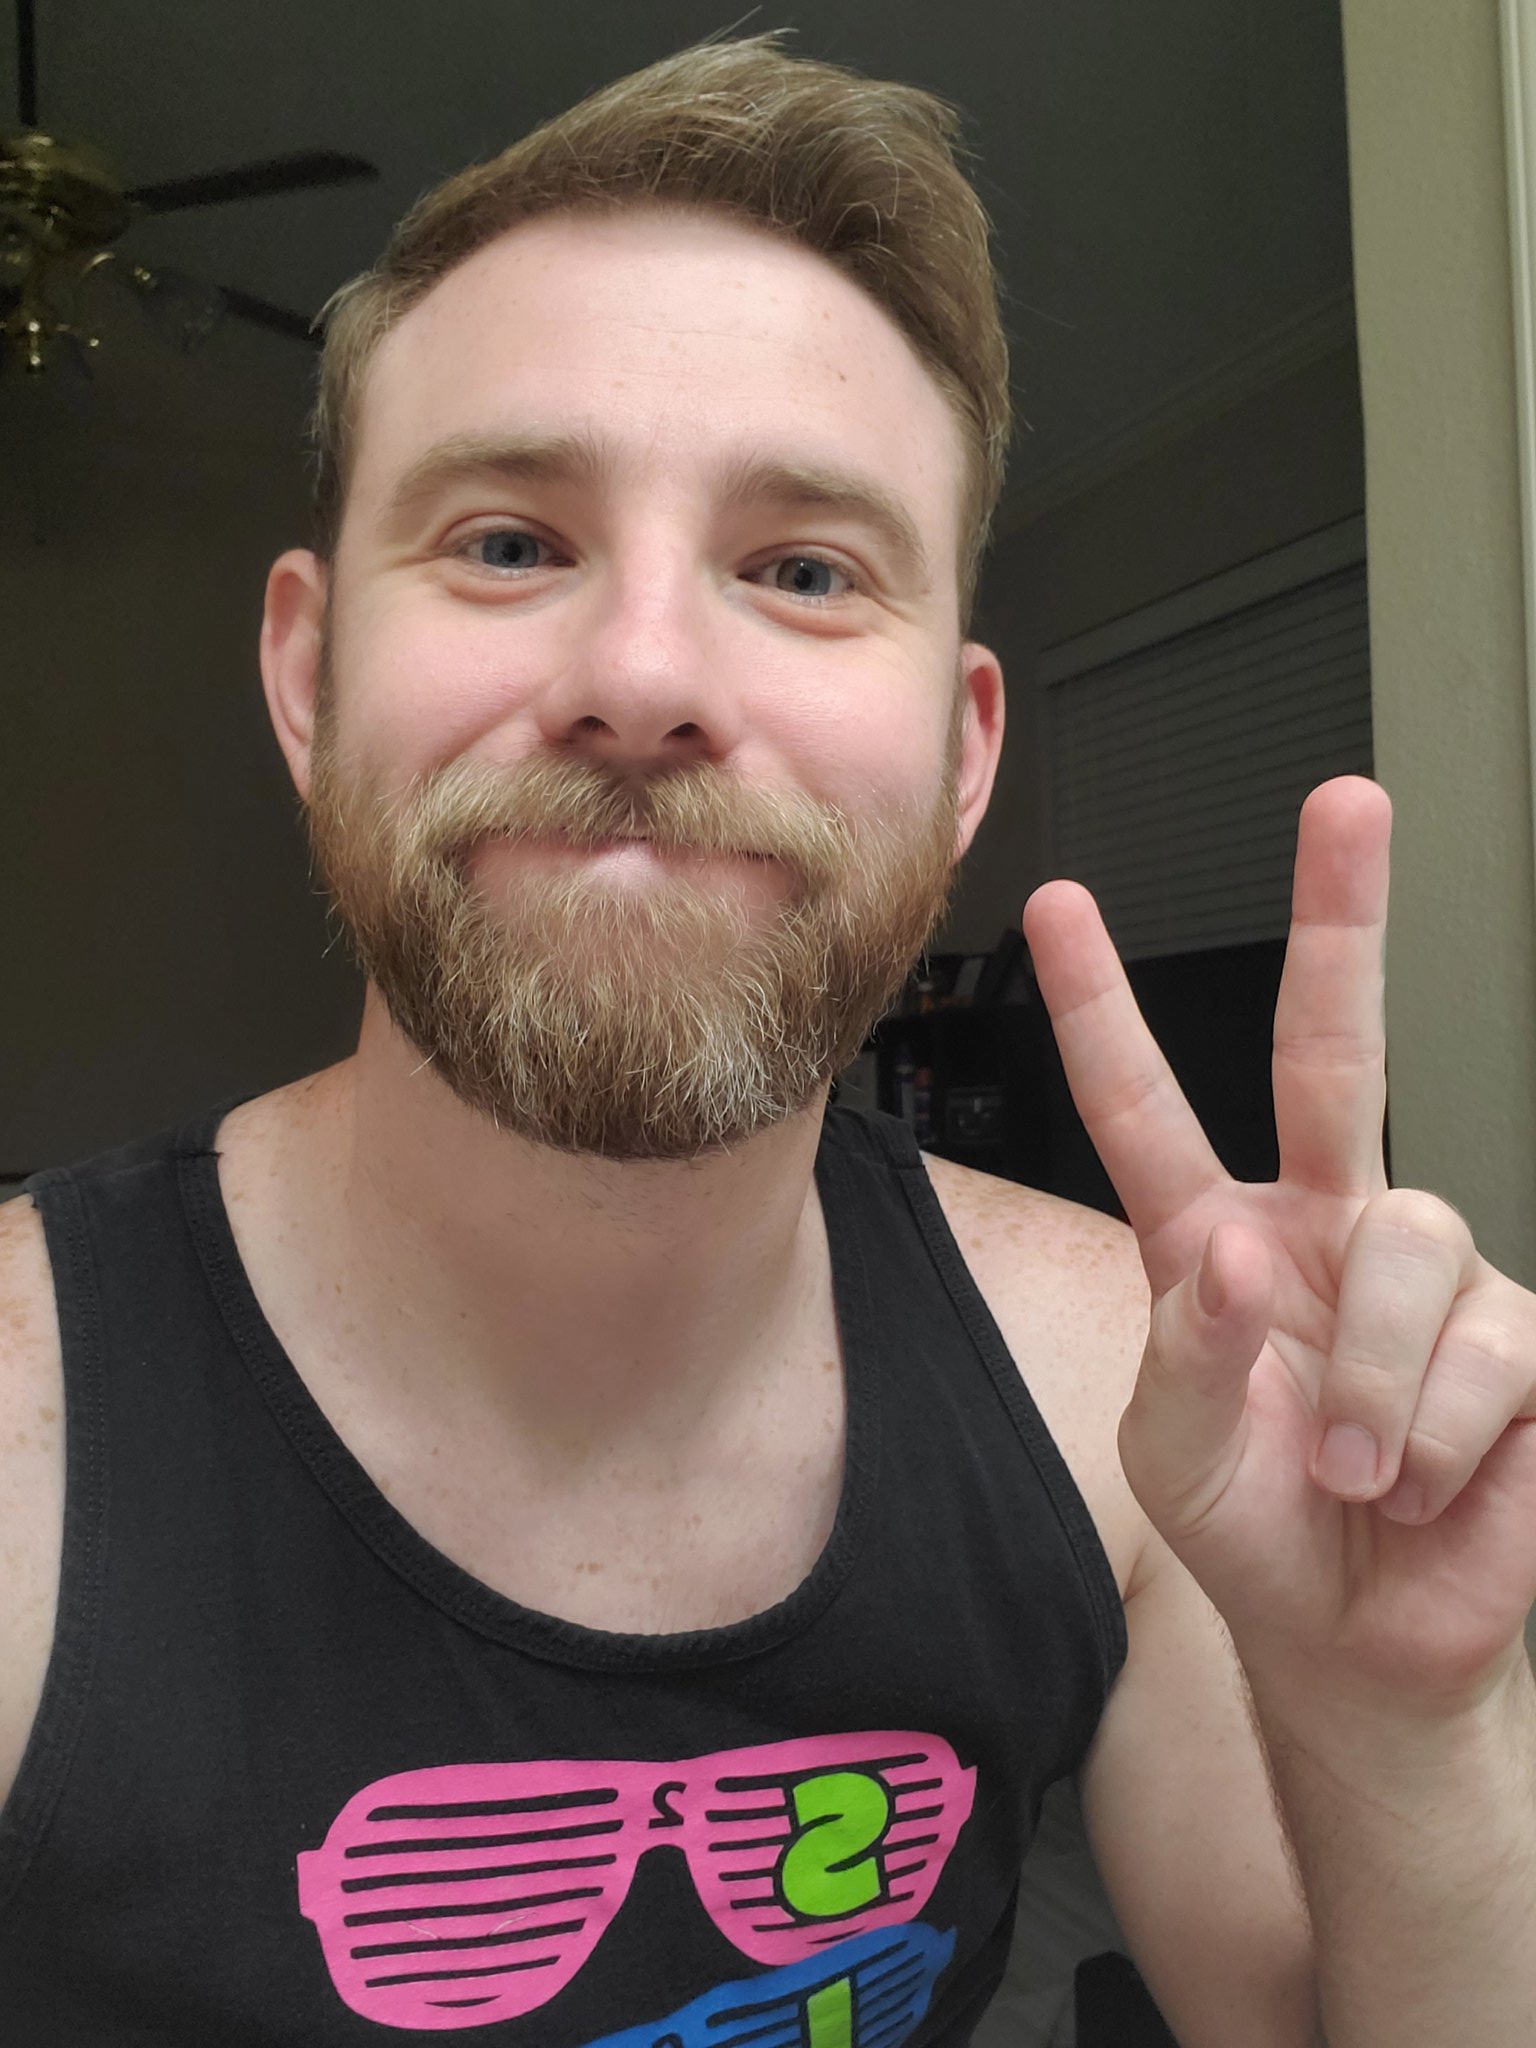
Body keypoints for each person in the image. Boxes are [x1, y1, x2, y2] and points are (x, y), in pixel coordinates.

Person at [1, 31, 1532, 2047]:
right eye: (509, 541)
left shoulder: (1141, 1391)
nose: (644, 676)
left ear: (963, 756)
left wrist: (1411, 1731)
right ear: (309, 672)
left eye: (804, 570)